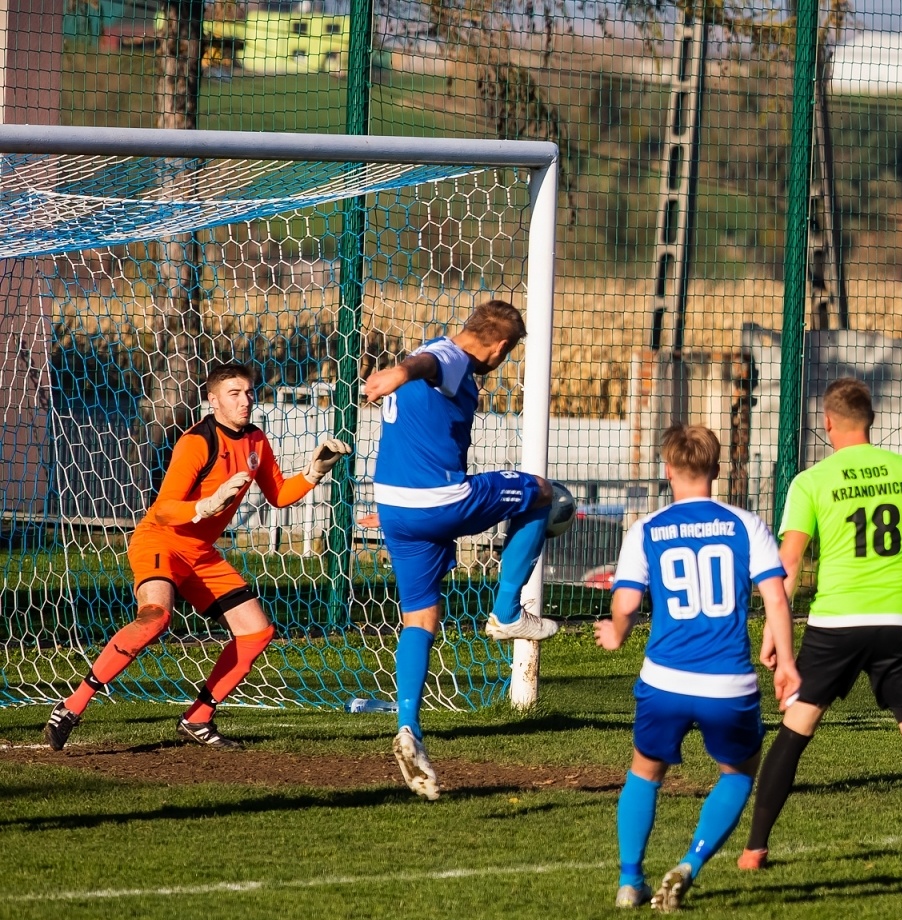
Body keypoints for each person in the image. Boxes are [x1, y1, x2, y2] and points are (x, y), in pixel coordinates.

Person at [739, 378, 902, 880]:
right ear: (870, 420)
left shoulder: (811, 481)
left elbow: (786, 565)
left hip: (835, 627)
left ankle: (754, 849)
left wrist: (773, 630)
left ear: (827, 423)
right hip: (900, 625)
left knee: (795, 731)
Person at [43, 363, 351, 750]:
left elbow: (278, 495)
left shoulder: (256, 440)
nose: (245, 400)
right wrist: (205, 505)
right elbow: (165, 508)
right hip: (160, 541)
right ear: (213, 399)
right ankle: (71, 706)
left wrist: (314, 472)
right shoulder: (196, 441)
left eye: (249, 392)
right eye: (234, 393)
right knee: (156, 618)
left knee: (257, 631)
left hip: (200, 552)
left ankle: (198, 717)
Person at [362, 299, 564, 800]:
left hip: (395, 507)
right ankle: (505, 613)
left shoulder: (439, 354)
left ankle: (408, 727)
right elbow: (426, 366)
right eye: (508, 351)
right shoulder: (450, 357)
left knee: (420, 618)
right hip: (436, 500)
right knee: (543, 492)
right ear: (498, 347)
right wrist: (397, 372)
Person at [597, 424, 797, 912]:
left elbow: (625, 601)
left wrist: (617, 632)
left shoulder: (646, 529)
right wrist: (786, 662)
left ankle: (629, 881)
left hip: (663, 678)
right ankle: (690, 863)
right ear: (718, 468)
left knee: (644, 773)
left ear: (667, 471)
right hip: (728, 682)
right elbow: (775, 596)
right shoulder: (746, 525)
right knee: (738, 772)